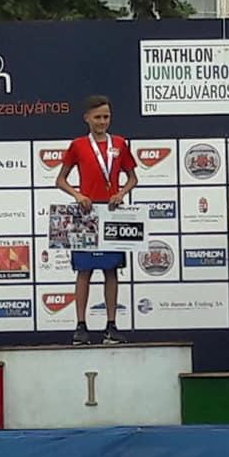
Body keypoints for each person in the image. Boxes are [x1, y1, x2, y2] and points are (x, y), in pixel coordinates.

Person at [56, 95, 138, 345]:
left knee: (111, 270)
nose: (102, 121)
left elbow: (133, 178)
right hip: (86, 215)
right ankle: (80, 327)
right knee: (84, 271)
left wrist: (121, 193)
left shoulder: (120, 143)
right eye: (98, 117)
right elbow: (60, 180)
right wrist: (78, 195)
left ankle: (111, 326)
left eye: (106, 117)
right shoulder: (78, 145)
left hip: (112, 214)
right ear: (87, 118)